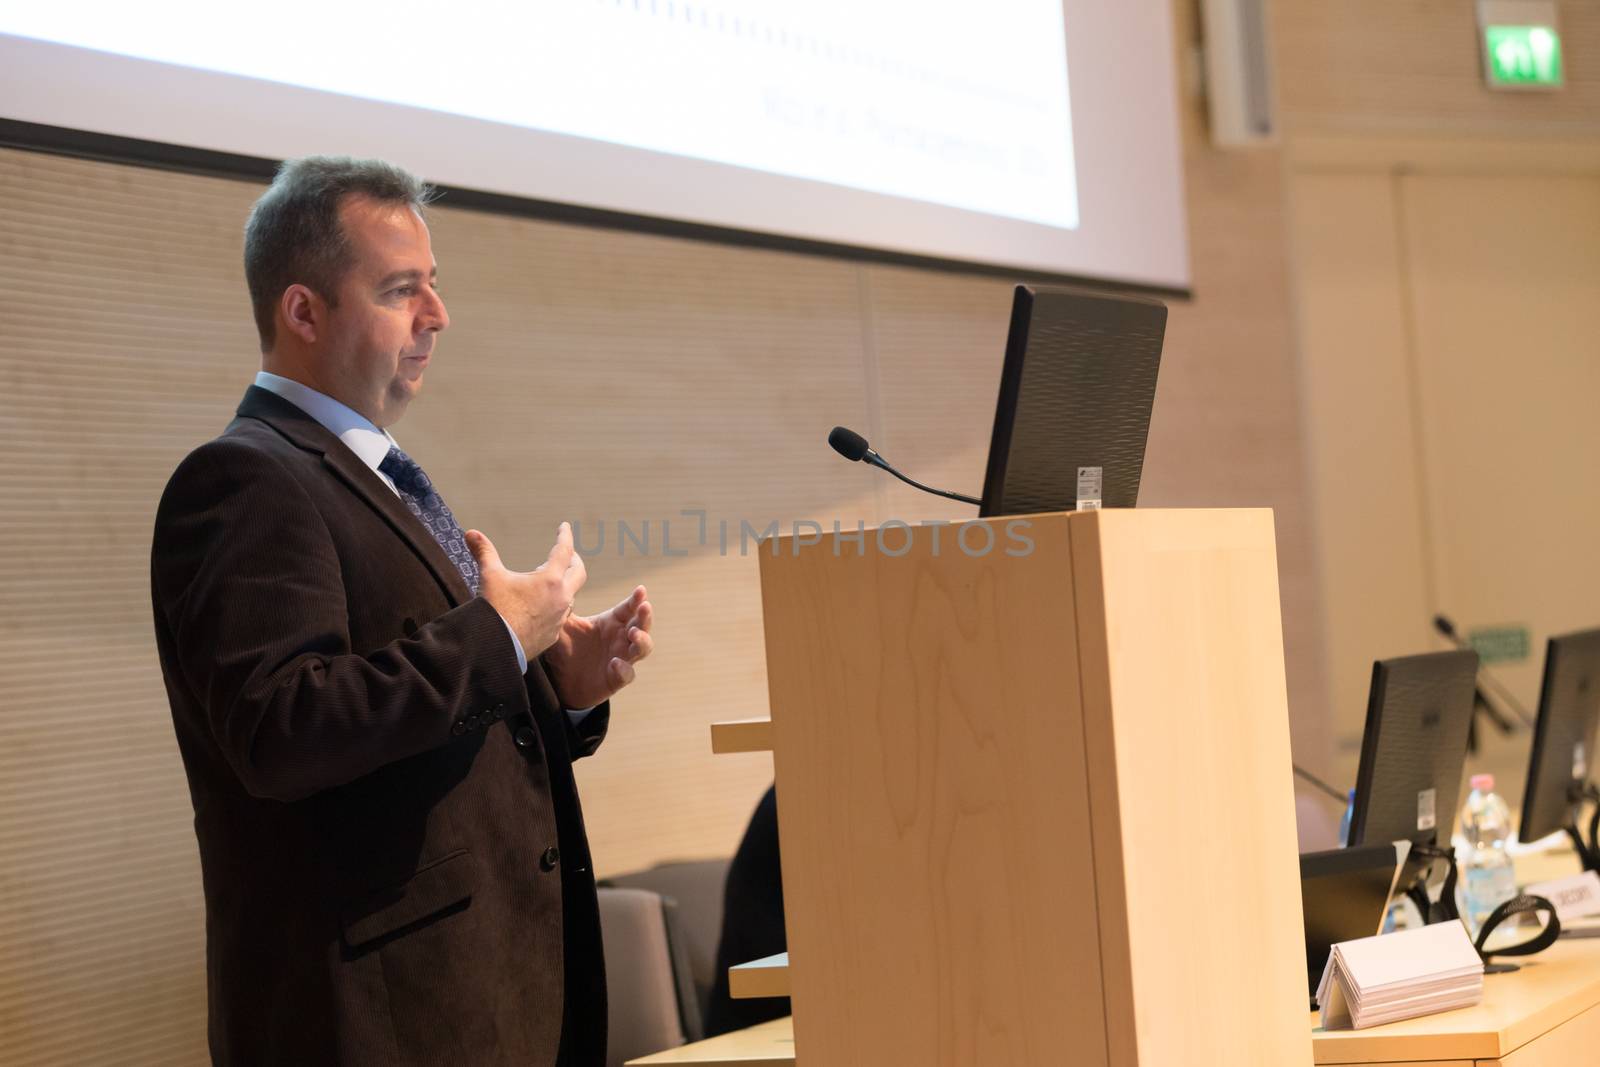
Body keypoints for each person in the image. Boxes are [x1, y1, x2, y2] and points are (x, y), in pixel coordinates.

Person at [149, 156, 653, 1066]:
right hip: (382, 1020)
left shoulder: (365, 474)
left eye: (434, 286)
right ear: (303, 312)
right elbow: (284, 726)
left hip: (478, 996)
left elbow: (422, 724)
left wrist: (557, 688)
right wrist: (497, 635)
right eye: (400, 289)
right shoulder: (243, 479)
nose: (437, 316)